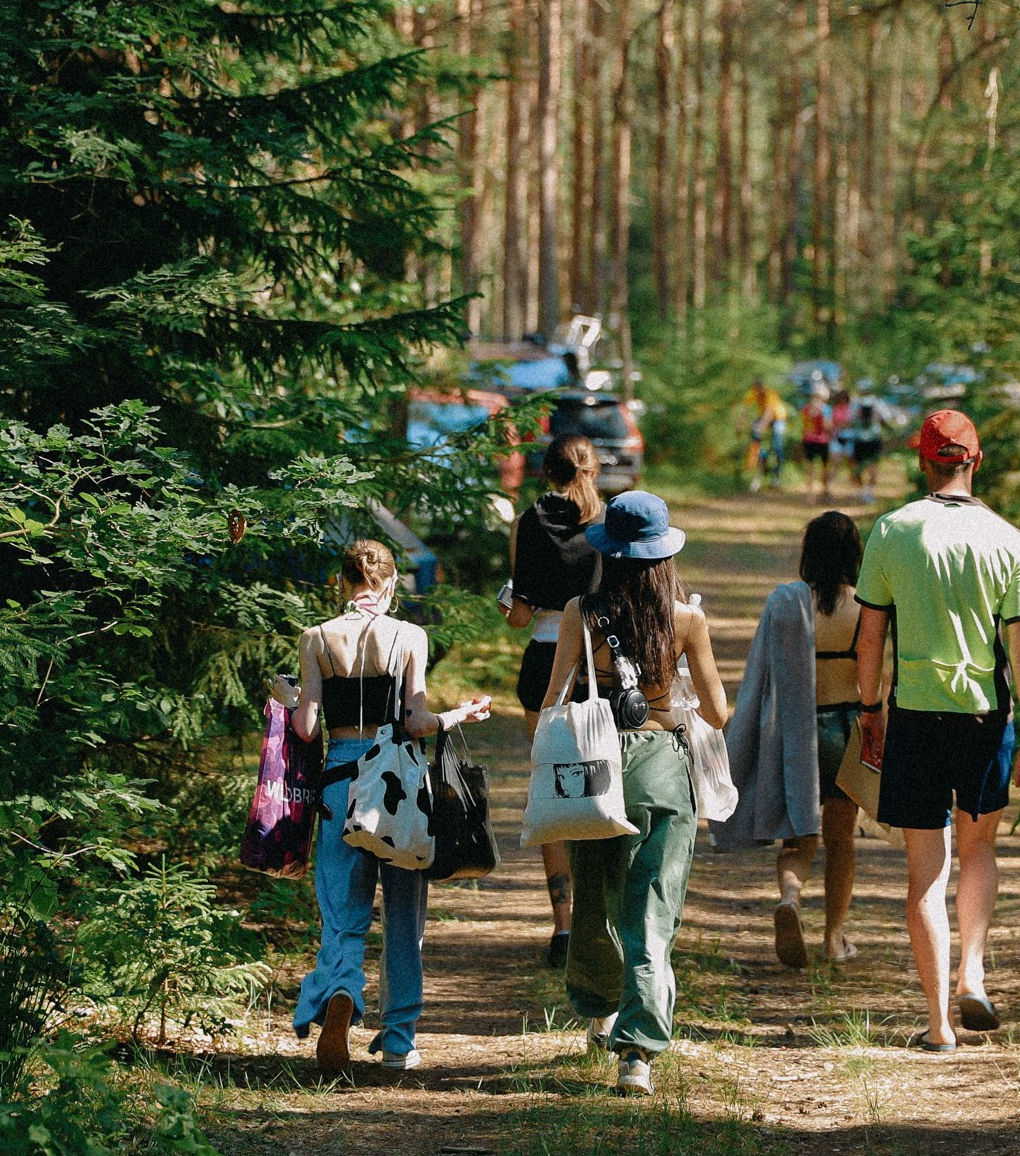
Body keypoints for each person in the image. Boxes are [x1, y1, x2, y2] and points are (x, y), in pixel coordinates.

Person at [852, 411, 1020, 1052]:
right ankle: (974, 972)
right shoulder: (1007, 539)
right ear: (974, 461)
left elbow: (871, 634)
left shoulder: (893, 530)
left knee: (924, 873)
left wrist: (869, 711)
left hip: (914, 715)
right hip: (986, 718)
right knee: (979, 851)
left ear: (923, 462)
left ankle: (939, 1025)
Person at [537, 490, 729, 1096]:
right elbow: (719, 713)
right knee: (653, 906)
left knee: (595, 895)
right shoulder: (687, 619)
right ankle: (637, 1055)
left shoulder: (580, 612)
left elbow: (553, 698)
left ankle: (600, 1013)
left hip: (596, 764)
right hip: (662, 768)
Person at [285, 540, 492, 1073]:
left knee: (343, 915)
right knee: (404, 916)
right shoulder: (408, 637)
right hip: (397, 784)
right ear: (392, 584)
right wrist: (459, 716)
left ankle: (342, 989)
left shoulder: (316, 639)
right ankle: (398, 1040)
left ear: (342, 584)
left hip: (339, 782)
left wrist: (287, 703)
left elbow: (307, 728)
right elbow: (417, 721)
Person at [711, 512, 865, 967]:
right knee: (842, 840)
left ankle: (790, 900)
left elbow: (763, 675)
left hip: (798, 735)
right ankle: (835, 938)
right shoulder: (866, 607)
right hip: (846, 730)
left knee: (798, 839)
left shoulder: (786, 604)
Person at [504, 433, 605, 968]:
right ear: (593, 470)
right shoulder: (610, 524)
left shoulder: (527, 522)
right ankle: (598, 916)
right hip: (599, 666)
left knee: (553, 789)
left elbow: (520, 614)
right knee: (598, 786)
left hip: (544, 664)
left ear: (547, 472)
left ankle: (563, 928)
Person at [799, 387, 837, 503]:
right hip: (821, 441)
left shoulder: (806, 408)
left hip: (810, 440)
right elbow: (828, 426)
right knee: (823, 468)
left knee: (811, 468)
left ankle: (812, 495)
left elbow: (803, 426)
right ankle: (824, 493)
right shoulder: (825, 409)